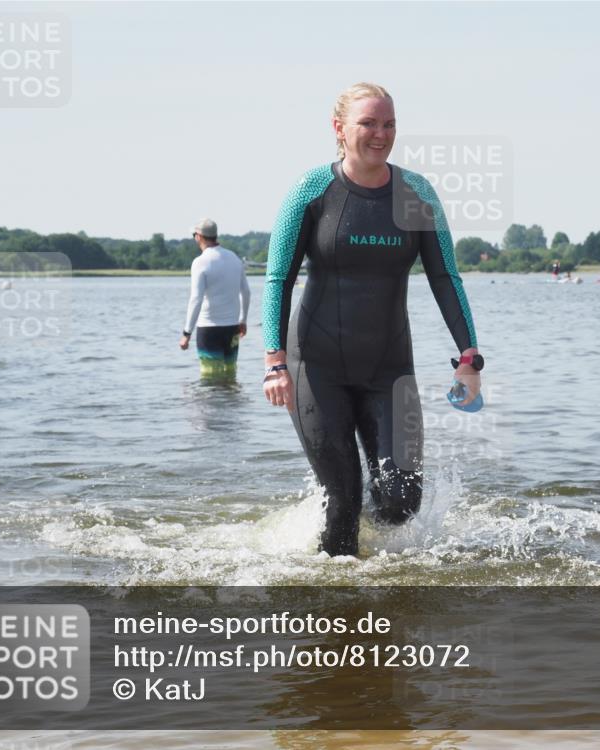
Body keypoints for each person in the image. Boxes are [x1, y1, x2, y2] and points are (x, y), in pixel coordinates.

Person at [261, 82, 482, 557]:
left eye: (389, 124)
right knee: (344, 500)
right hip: (315, 369)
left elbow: (446, 276)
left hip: (388, 369)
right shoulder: (310, 190)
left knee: (402, 500)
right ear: (339, 129)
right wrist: (275, 362)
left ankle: (376, 572)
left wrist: (469, 358)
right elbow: (278, 277)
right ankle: (338, 602)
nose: (380, 134)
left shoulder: (416, 192)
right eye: (368, 123)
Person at [179, 219, 250, 378]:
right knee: (230, 374)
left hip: (209, 329)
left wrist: (187, 333)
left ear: (199, 236)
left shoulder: (200, 262)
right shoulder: (234, 258)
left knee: (210, 377)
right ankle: (230, 403)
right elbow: (246, 292)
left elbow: (196, 298)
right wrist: (243, 320)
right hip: (232, 327)